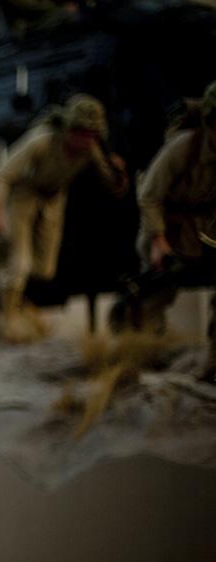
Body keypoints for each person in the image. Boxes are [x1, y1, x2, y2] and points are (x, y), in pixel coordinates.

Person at [0, 94, 126, 342]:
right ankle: (7, 319)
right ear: (69, 128)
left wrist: (119, 173)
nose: (86, 140)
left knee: (44, 269)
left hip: (52, 201)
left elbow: (111, 184)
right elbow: (3, 173)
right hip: (22, 197)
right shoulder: (42, 141)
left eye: (92, 134)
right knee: (19, 265)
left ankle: (18, 305)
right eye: (81, 132)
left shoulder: (90, 149)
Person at [128, 81, 216, 381]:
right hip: (165, 226)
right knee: (155, 294)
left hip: (204, 231)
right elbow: (149, 196)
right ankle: (141, 358)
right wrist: (158, 241)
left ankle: (213, 365)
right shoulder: (184, 146)